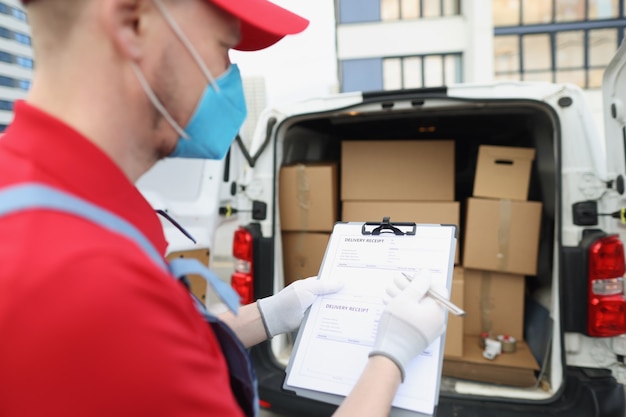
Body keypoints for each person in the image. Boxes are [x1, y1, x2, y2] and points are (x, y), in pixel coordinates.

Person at [0, 0, 447, 416]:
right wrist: (391, 356)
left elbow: (149, 355)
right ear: (134, 23)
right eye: (223, 47)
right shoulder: (93, 283)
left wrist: (271, 313)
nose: (229, 76)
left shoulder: (46, 203)